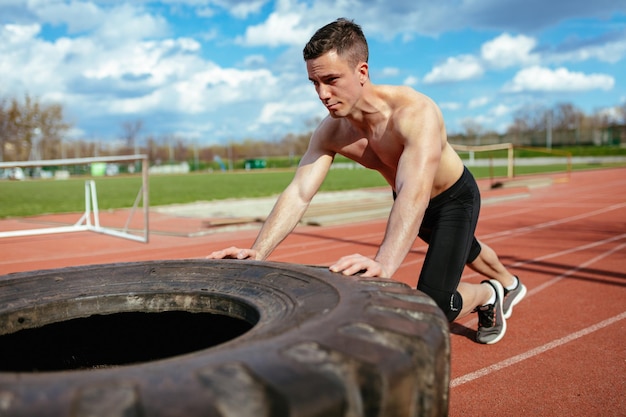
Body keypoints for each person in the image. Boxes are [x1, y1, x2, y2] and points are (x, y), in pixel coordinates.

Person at [208, 18, 526, 344]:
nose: (322, 93)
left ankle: (489, 295)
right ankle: (509, 283)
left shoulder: (414, 113)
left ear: (362, 73)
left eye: (331, 80)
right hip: (408, 198)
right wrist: (257, 251)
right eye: (314, 83)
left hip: (452, 199)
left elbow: (413, 194)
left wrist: (382, 264)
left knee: (435, 306)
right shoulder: (333, 130)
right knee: (466, 248)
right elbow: (300, 192)